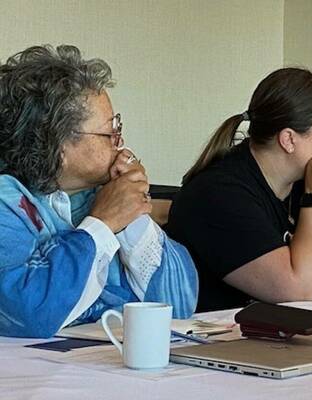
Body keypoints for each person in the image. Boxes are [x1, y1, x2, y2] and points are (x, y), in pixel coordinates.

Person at [0, 45, 198, 338]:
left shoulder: (98, 191)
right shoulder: (7, 200)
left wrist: (130, 213)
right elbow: (29, 312)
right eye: (110, 132)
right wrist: (101, 225)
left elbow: (178, 305)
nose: (120, 142)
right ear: (58, 143)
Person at [167, 67, 312, 311]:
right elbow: (297, 292)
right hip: (221, 343)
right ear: (289, 140)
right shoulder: (218, 193)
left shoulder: (310, 180)